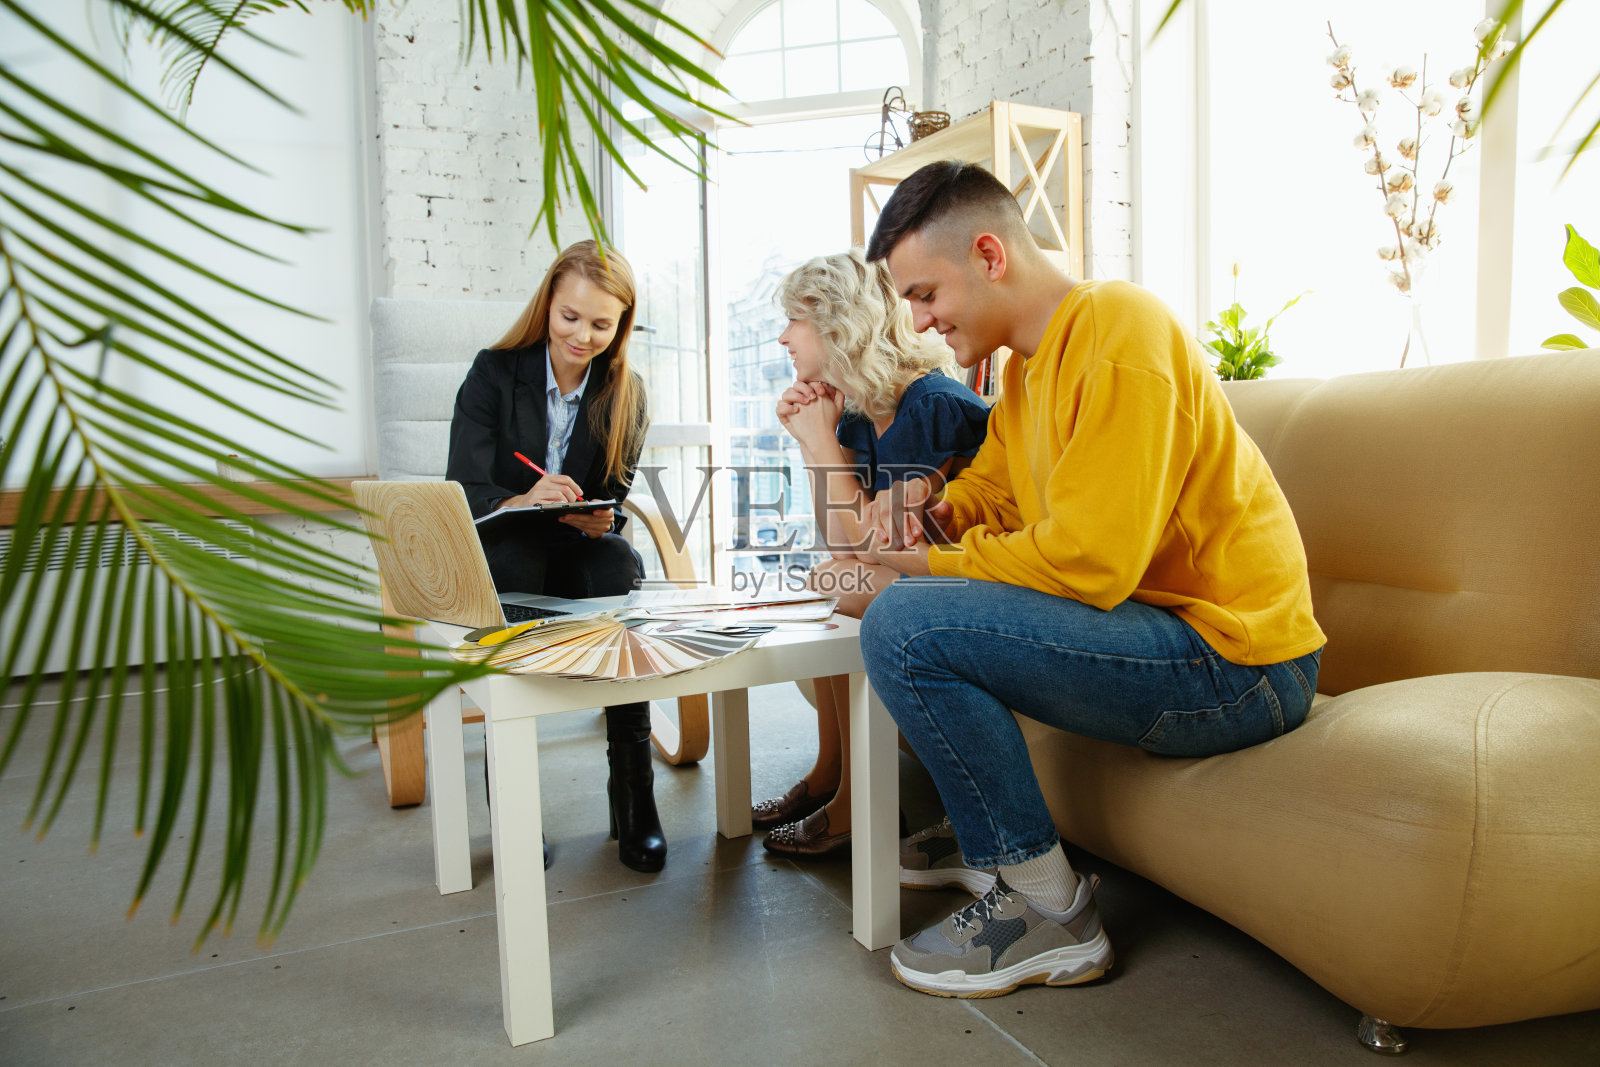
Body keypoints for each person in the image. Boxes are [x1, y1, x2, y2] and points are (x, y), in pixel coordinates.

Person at [854, 161, 1327, 998]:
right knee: (910, 610)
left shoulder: (1120, 329)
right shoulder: (1026, 371)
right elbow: (996, 488)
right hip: (1166, 635)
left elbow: (1092, 561)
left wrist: (932, 564)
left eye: (925, 294)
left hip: (1241, 664)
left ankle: (1049, 909)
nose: (920, 321)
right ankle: (996, 841)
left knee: (904, 624)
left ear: (990, 255)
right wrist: (936, 506)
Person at [754, 249, 990, 861]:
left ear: (840, 324)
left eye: (795, 319)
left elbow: (879, 545)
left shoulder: (931, 405)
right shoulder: (863, 415)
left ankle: (858, 800)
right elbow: (841, 539)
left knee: (840, 585)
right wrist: (815, 442)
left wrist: (821, 443)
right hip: (918, 577)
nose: (784, 337)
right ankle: (831, 772)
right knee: (831, 578)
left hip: (977, 586)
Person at [446, 240, 664, 873]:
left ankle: (633, 791)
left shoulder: (627, 392)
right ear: (547, 305)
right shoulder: (493, 372)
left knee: (617, 566)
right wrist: (522, 498)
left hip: (574, 545)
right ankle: (513, 804)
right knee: (517, 565)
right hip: (505, 544)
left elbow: (615, 492)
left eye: (601, 324)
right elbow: (463, 485)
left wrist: (602, 518)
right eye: (570, 317)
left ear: (621, 325)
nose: (583, 336)